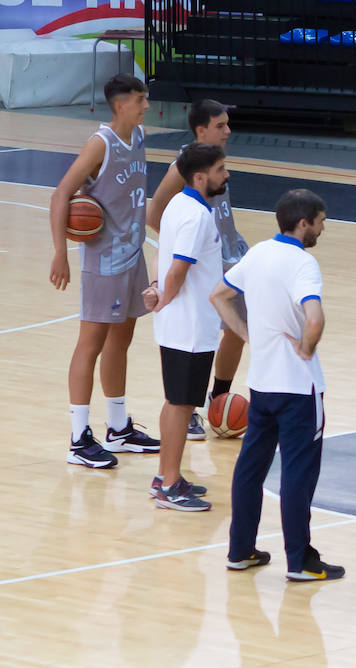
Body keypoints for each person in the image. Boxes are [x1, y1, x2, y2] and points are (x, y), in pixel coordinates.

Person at [210, 188, 345, 581]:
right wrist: (306, 345)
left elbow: (219, 295)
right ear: (303, 223)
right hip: (299, 389)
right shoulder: (303, 264)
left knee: (250, 469)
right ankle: (300, 560)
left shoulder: (257, 254)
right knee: (298, 475)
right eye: (320, 222)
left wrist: (247, 333)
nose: (322, 228)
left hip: (263, 384)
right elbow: (315, 319)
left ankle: (240, 550)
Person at [49, 73, 160, 468]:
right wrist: (60, 252)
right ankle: (79, 439)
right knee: (91, 342)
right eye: (140, 99)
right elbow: (62, 193)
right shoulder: (101, 144)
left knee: (121, 340)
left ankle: (118, 428)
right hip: (104, 261)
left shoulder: (140, 136)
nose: (146, 105)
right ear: (120, 105)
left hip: (132, 255)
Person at [149, 98, 251, 440]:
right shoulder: (184, 166)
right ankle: (189, 411)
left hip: (230, 257)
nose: (228, 130)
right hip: (204, 266)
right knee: (199, 343)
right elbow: (154, 215)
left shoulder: (215, 162)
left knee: (236, 331)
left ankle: (218, 399)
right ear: (201, 129)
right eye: (220, 125)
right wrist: (188, 250)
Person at [141, 143, 230, 511]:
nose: (226, 175)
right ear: (200, 176)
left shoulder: (177, 203)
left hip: (176, 323)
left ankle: (165, 475)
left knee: (174, 401)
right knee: (181, 404)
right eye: (221, 169)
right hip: (191, 325)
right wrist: (163, 294)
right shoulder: (196, 215)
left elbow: (165, 258)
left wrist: (157, 291)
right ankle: (170, 486)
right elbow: (179, 267)